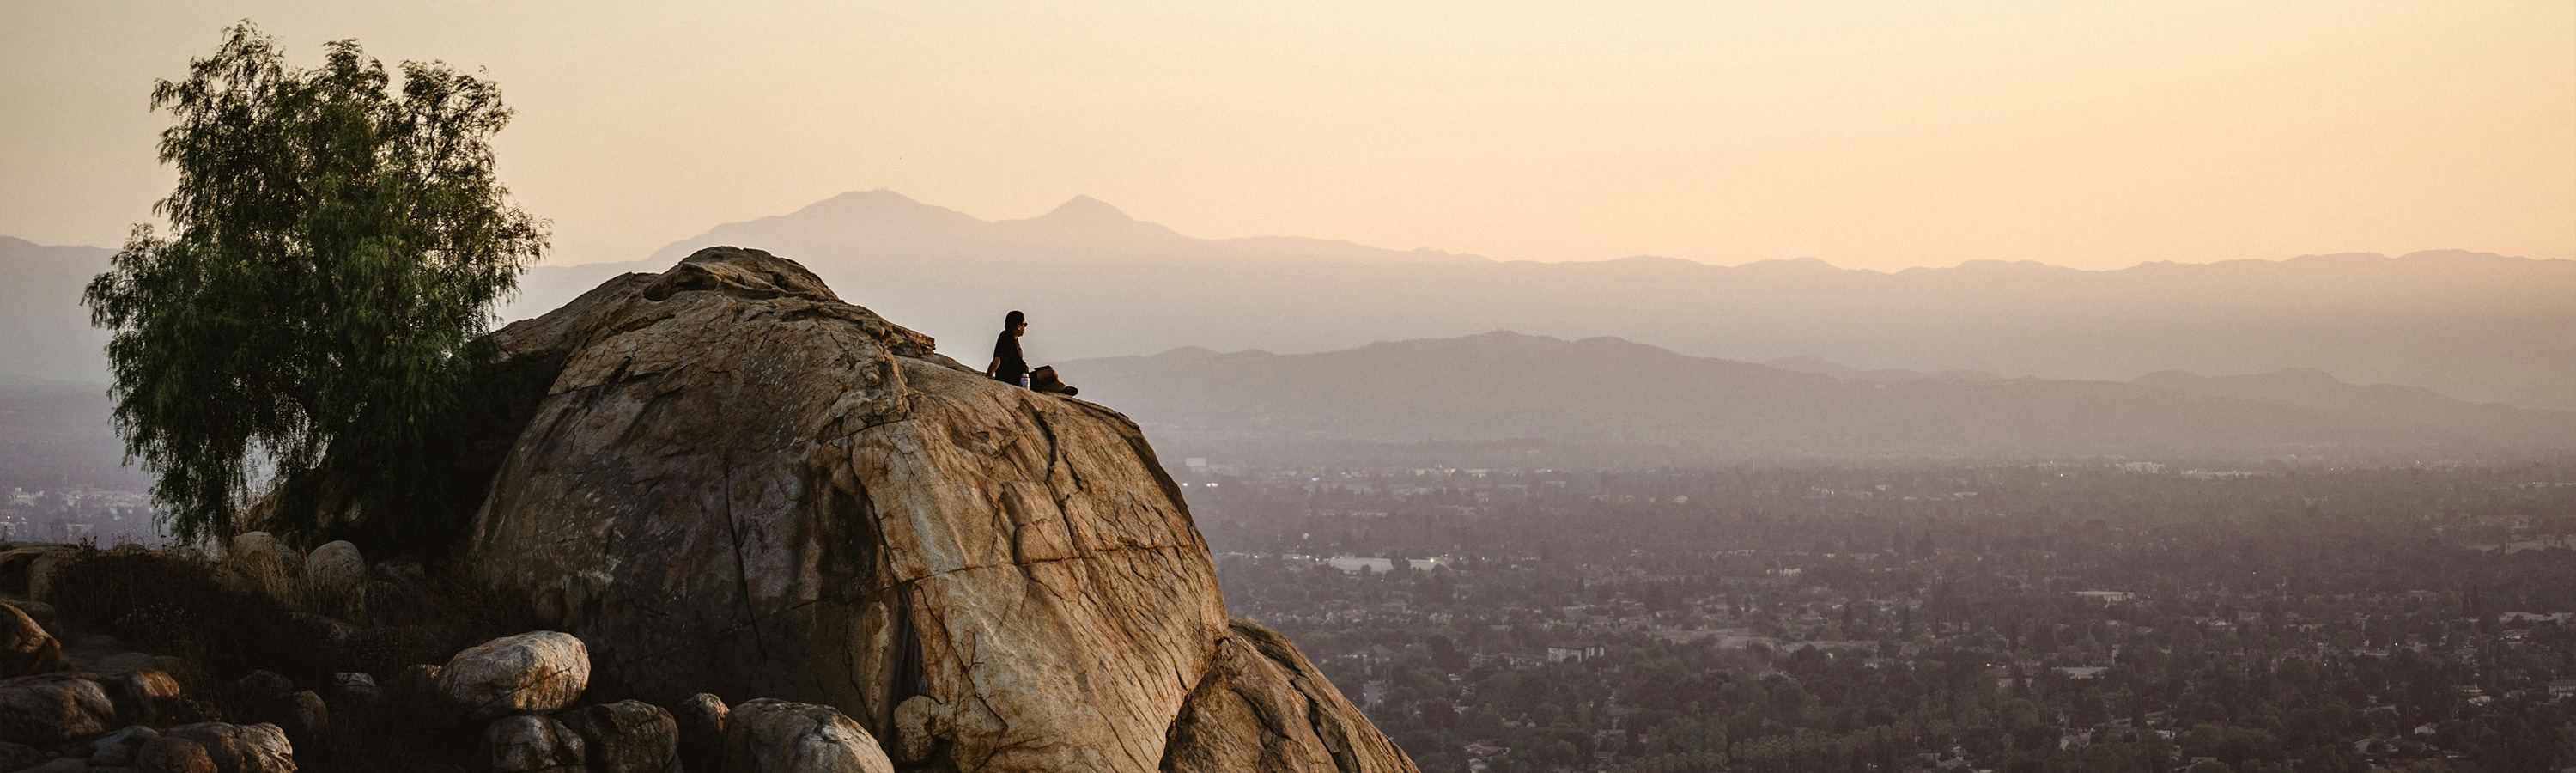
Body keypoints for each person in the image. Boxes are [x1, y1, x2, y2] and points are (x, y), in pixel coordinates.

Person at [987, 310, 1030, 386]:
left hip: (1020, 378)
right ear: (1019, 326)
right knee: (1050, 374)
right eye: (1024, 324)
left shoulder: (1014, 338)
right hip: (1015, 379)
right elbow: (998, 358)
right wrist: (988, 377)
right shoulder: (1008, 337)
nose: (1025, 327)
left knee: (1050, 376)